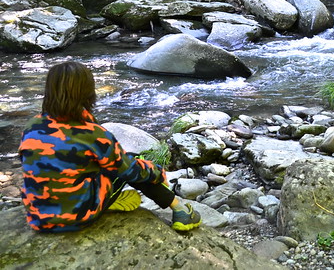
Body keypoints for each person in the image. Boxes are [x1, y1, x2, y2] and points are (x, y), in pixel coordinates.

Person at [19, 61, 201, 233]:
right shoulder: (93, 133)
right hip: (78, 216)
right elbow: (129, 170)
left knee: (100, 164)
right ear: (88, 93)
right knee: (132, 163)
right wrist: (158, 172)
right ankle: (180, 210)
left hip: (38, 218)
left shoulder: (31, 127)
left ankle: (106, 200)